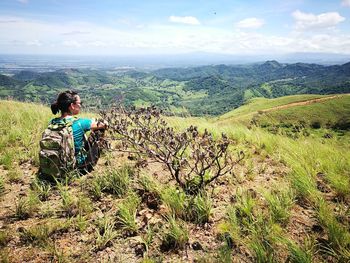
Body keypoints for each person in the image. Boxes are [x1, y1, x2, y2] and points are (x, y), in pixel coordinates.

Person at [50, 90, 107, 174]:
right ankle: (92, 162)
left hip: (55, 165)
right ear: (72, 106)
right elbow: (104, 124)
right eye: (80, 103)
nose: (80, 105)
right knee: (100, 129)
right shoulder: (80, 123)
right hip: (77, 168)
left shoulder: (53, 122)